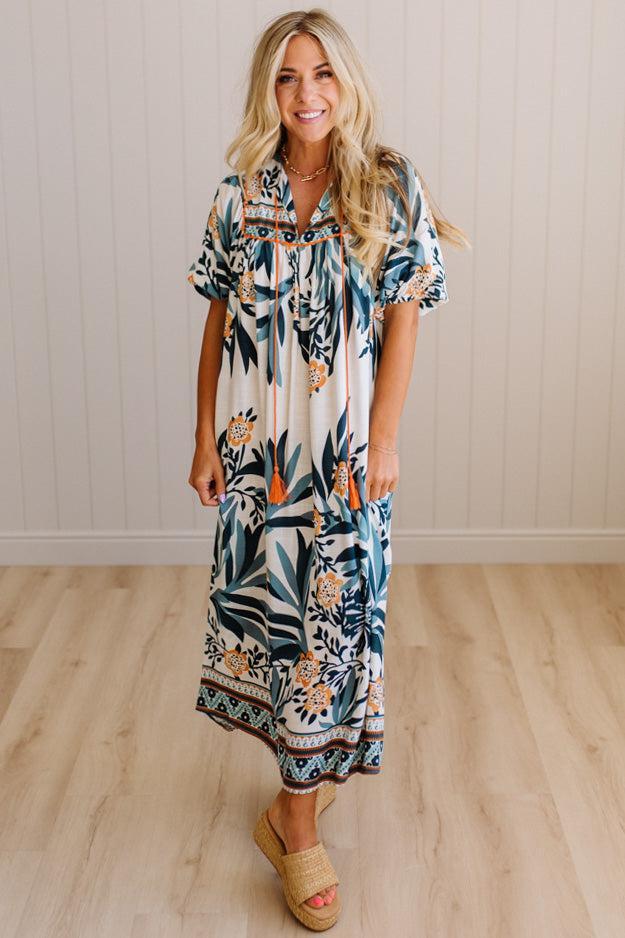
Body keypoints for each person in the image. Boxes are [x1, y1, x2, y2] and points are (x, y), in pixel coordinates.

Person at [186, 8, 469, 931]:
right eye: (284, 77)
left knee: (329, 637)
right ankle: (296, 811)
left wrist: (383, 441)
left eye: (320, 75)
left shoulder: (388, 186)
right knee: (277, 631)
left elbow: (404, 321)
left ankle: (294, 813)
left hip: (346, 459)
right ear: (266, 92)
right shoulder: (240, 193)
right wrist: (201, 439)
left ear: (346, 84)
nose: (304, 94)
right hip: (257, 456)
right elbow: (217, 326)